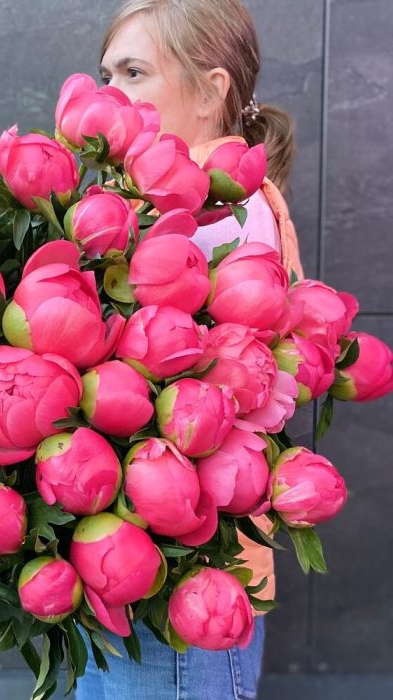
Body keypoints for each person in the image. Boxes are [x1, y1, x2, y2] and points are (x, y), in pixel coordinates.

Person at [76, 2, 304, 699]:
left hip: (177, 579)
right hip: (150, 568)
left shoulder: (210, 213)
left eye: (134, 73)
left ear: (210, 91)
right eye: (106, 75)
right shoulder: (210, 197)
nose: (110, 95)